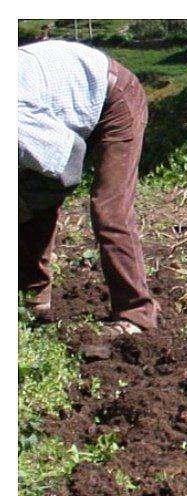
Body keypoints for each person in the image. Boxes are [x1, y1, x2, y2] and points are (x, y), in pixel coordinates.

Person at [19, 39, 158, 333]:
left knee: (110, 208)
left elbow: (68, 161)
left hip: (114, 97)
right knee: (28, 195)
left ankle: (136, 313)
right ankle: (31, 298)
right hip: (70, 105)